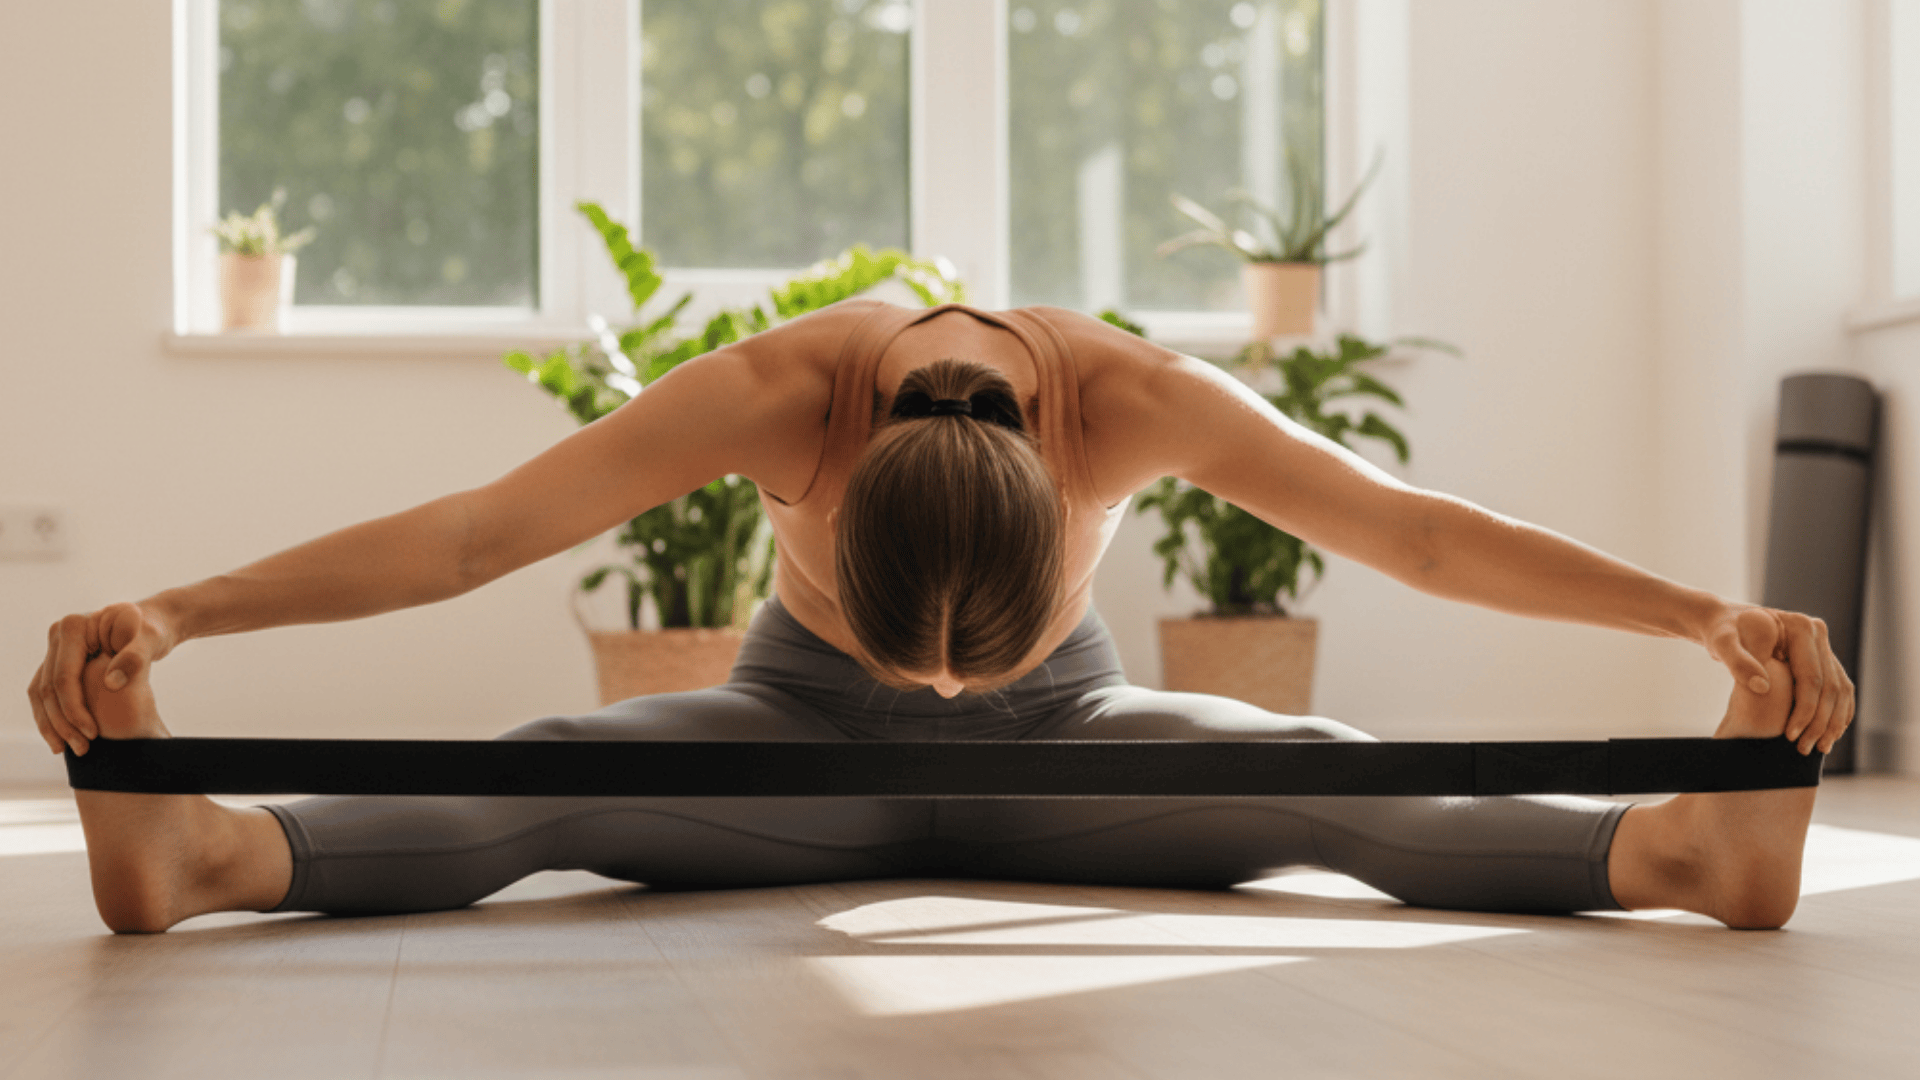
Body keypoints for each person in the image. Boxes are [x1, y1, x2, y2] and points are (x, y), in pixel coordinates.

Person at [29, 300, 1851, 935]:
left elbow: (1420, 541)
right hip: (792, 735)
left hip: (1079, 739)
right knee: (556, 773)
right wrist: (175, 614)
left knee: (1324, 775)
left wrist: (1710, 620)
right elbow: (472, 541)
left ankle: (1679, 851)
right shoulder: (774, 389)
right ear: (838, 478)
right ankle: (212, 854)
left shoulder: (1124, 395)